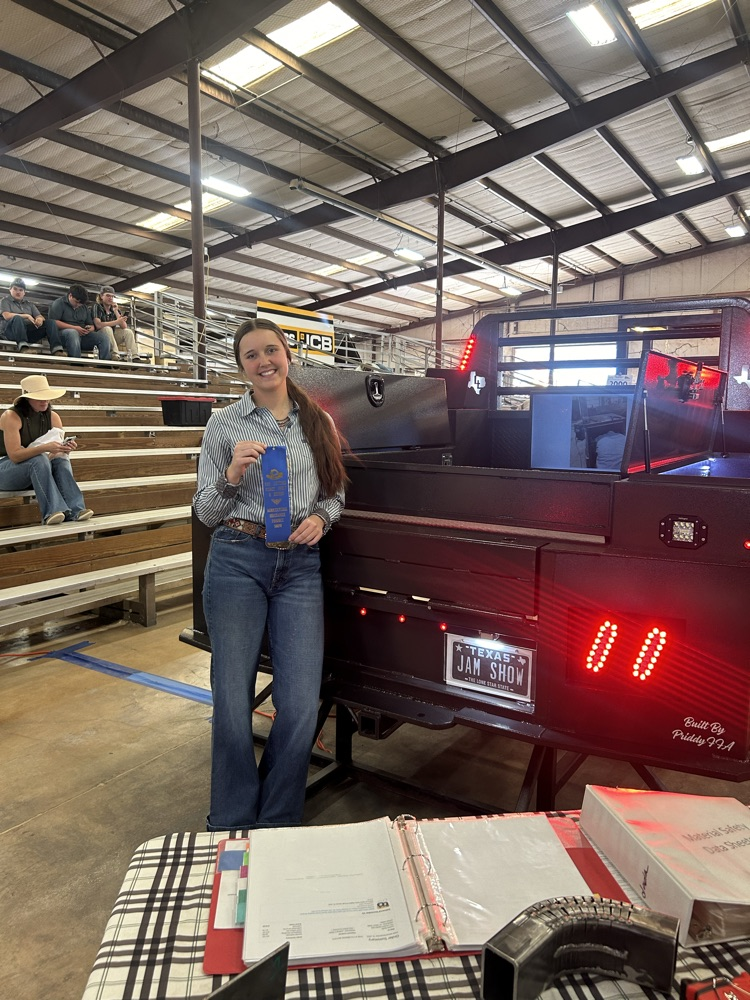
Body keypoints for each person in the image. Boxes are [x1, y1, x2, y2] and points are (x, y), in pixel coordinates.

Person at [193, 318, 347, 831]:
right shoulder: (224, 424)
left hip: (299, 567)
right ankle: (233, 816)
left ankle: (278, 817)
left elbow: (334, 492)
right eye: (251, 356)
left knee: (301, 701)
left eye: (271, 351)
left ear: (288, 355)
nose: (264, 362)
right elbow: (205, 512)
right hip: (238, 557)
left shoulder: (318, 422)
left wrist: (321, 519)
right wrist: (233, 475)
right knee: (232, 696)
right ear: (241, 368)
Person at [0, 374, 94, 524]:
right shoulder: (11, 416)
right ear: (27, 399)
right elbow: (15, 456)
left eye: (46, 396)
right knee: (39, 458)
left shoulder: (53, 417)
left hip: (38, 470)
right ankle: (52, 511)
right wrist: (45, 448)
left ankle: (76, 509)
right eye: (39, 397)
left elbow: (50, 456)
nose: (44, 401)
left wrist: (63, 449)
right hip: (5, 469)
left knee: (61, 458)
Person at [0, 277, 69, 356]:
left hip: (27, 333)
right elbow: (7, 316)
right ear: (10, 289)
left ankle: (57, 349)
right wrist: (26, 316)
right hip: (10, 332)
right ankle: (24, 348)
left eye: (21, 290)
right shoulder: (5, 301)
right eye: (15, 289)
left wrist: (39, 319)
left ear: (24, 292)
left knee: (51, 322)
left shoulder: (29, 304)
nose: (18, 292)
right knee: (17, 318)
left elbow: (40, 316)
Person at [48, 284, 111, 360]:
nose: (78, 305)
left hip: (82, 336)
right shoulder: (58, 303)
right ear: (70, 295)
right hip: (63, 336)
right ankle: (76, 363)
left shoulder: (84, 307)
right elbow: (53, 322)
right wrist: (74, 328)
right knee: (72, 332)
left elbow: (92, 326)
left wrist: (89, 329)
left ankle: (105, 365)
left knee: (103, 337)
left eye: (80, 304)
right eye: (76, 302)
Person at [93, 286, 141, 361]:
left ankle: (134, 356)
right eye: (108, 295)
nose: (110, 298)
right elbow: (98, 325)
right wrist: (116, 322)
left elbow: (124, 326)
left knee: (128, 332)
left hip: (112, 336)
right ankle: (115, 355)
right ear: (101, 296)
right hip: (100, 337)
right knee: (107, 328)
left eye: (112, 296)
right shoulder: (97, 306)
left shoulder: (113, 308)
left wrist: (116, 311)